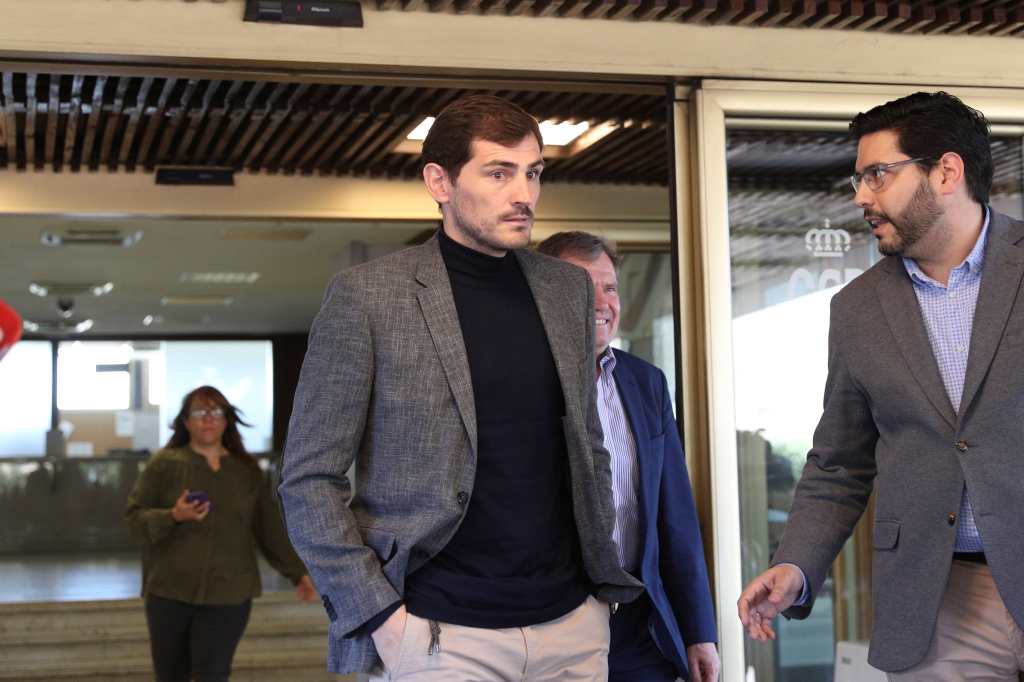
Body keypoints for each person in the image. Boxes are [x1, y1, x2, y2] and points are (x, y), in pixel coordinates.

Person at [279, 94, 642, 680]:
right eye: (498, 173)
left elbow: (588, 446)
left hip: (572, 626)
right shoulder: (368, 298)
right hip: (437, 633)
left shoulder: (565, 290)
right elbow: (308, 479)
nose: (523, 194)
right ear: (439, 182)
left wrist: (596, 598)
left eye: (533, 173)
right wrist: (379, 615)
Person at [737, 91, 1024, 680]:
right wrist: (796, 564)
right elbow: (839, 463)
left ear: (946, 172)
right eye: (860, 178)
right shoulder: (857, 309)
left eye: (878, 175)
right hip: (937, 598)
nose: (861, 196)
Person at [538, 231, 720, 682]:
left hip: (640, 626)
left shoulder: (646, 382)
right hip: (551, 624)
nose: (603, 303)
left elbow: (676, 517)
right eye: (586, 288)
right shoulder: (520, 383)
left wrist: (699, 632)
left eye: (611, 288)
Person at [126, 385, 316, 682]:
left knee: (213, 674)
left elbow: (268, 528)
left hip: (230, 591)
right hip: (169, 590)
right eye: (199, 412)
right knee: (170, 674)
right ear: (186, 421)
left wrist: (297, 572)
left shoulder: (246, 470)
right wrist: (173, 515)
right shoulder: (164, 464)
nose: (208, 418)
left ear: (227, 419)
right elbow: (133, 518)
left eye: (216, 411)